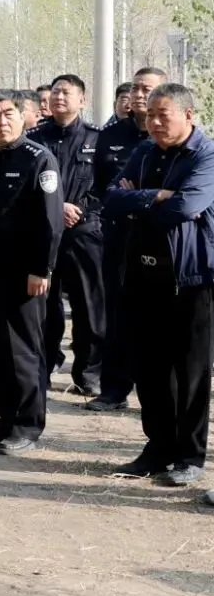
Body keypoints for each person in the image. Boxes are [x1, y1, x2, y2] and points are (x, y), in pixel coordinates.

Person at [103, 83, 214, 486]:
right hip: (141, 273)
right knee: (148, 367)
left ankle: (189, 454)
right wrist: (157, 197)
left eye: (161, 115)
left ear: (188, 114)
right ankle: (158, 447)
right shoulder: (144, 151)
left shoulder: (206, 155)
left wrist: (142, 201)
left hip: (191, 278)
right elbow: (112, 199)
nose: (152, 122)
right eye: (148, 115)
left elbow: (186, 207)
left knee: (190, 371)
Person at [0, 90, 63, 453]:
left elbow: (51, 221)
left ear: (23, 117)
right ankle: (5, 417)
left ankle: (28, 423)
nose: (1, 121)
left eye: (8, 113)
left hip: (25, 274)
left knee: (23, 350)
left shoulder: (39, 159)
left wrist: (42, 268)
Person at [86, 66, 168, 412]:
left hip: (159, 242)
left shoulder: (169, 139)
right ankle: (113, 388)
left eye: (147, 88)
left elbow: (176, 196)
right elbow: (108, 189)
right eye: (135, 88)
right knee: (116, 314)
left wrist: (139, 195)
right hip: (119, 238)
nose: (138, 94)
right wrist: (144, 196)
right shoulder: (109, 134)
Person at [27, 74, 105, 396]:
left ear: (82, 100)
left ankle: (88, 375)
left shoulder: (97, 140)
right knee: (43, 306)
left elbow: (107, 186)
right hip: (42, 233)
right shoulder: (33, 139)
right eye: (56, 91)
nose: (60, 97)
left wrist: (79, 209)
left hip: (83, 233)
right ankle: (41, 371)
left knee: (89, 307)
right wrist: (55, 208)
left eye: (67, 93)